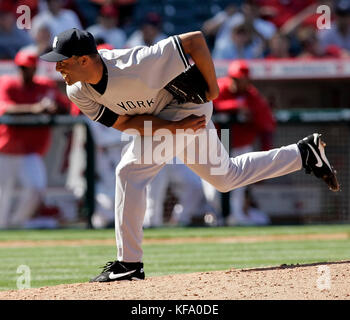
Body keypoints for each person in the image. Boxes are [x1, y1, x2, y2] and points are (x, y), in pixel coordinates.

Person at [40, 28, 339, 282]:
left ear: (83, 59)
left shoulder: (135, 63)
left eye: (61, 62)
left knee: (129, 172)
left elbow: (195, 40)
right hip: (165, 118)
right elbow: (123, 122)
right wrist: (172, 127)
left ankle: (128, 264)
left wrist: (213, 88)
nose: (57, 68)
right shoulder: (78, 91)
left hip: (188, 107)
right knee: (226, 177)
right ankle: (303, 153)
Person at [0, 49, 69, 229]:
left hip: (30, 151)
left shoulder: (45, 86)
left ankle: (16, 224)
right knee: (2, 193)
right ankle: (2, 226)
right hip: (6, 149)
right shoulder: (8, 84)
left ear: (35, 68)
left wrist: (53, 108)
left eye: (29, 67)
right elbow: (5, 108)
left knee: (36, 189)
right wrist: (36, 109)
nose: (26, 71)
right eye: (23, 67)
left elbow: (65, 107)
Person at [212, 60, 275, 226]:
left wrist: (250, 113)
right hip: (218, 145)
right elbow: (211, 104)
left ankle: (235, 219)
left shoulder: (252, 95)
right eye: (235, 78)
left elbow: (267, 124)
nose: (237, 82)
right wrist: (237, 106)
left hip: (241, 146)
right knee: (213, 191)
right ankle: (221, 217)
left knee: (237, 189)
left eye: (242, 79)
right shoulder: (220, 87)